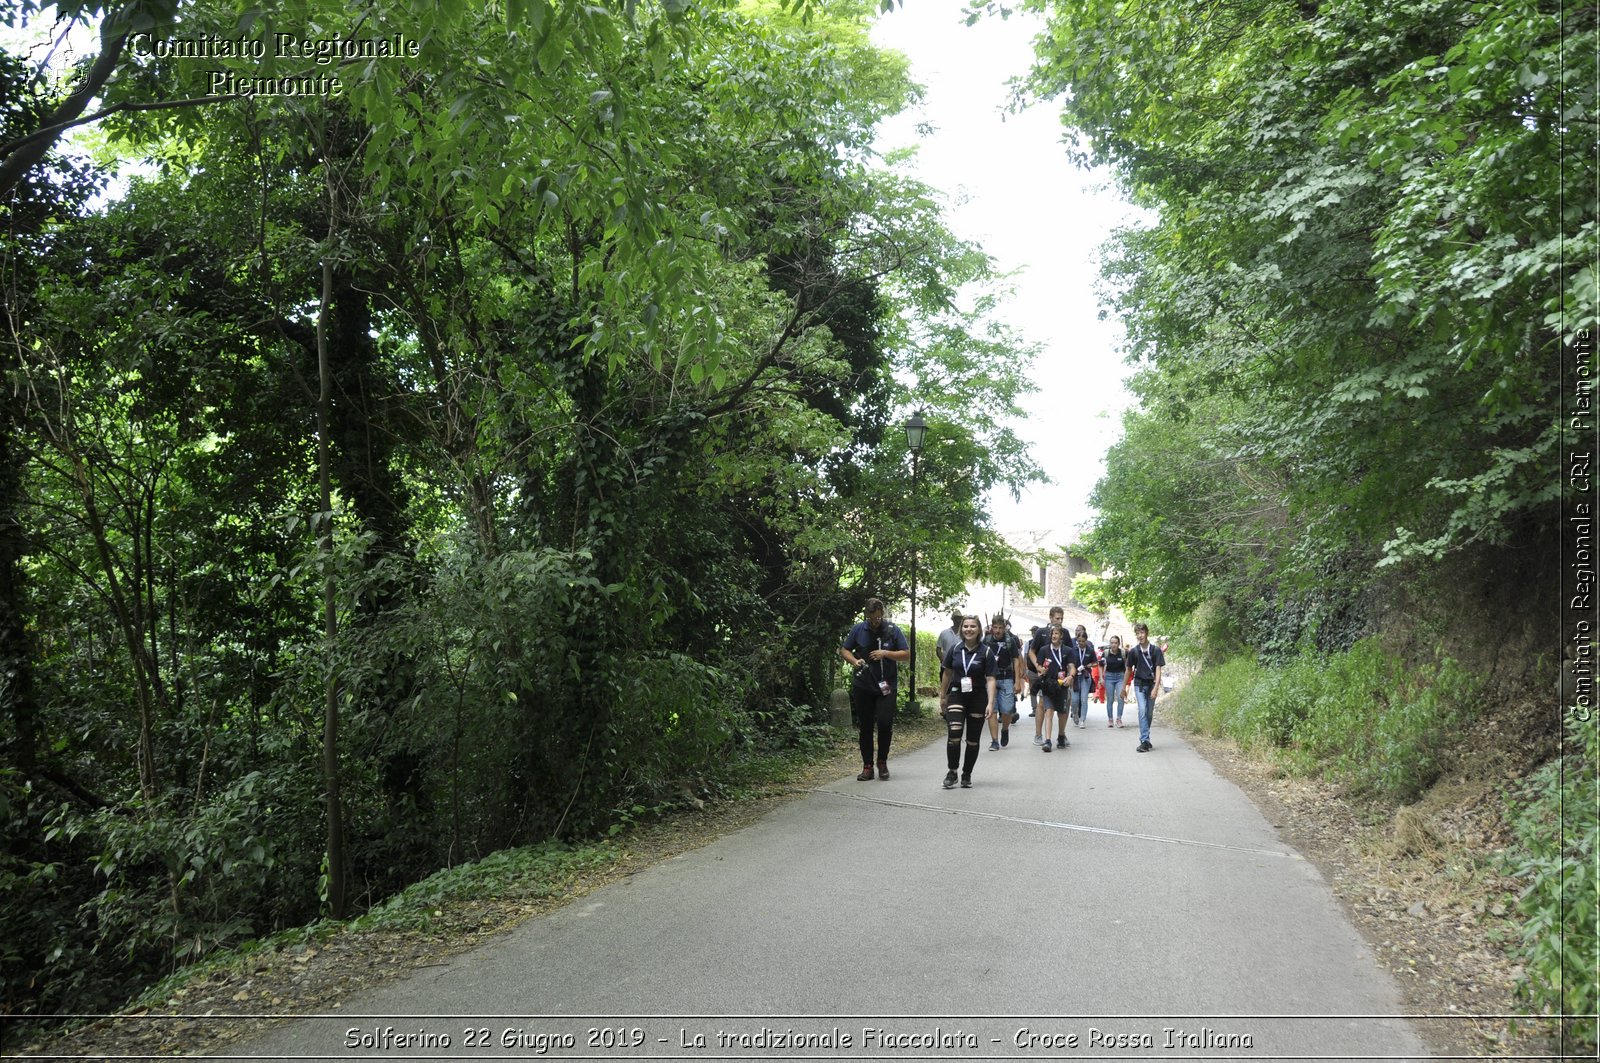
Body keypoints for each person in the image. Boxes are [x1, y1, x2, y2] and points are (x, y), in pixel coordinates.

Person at [838, 598, 910, 780]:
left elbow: (906, 654)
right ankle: (867, 766)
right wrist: (855, 661)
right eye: (872, 618)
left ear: (882, 613)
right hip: (864, 685)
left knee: (885, 723)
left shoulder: (893, 630)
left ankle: (882, 762)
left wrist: (886, 653)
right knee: (866, 727)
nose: (875, 621)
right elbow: (844, 650)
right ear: (867, 615)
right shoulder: (858, 629)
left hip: (887, 686)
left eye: (878, 617)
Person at [940, 615, 996, 788]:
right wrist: (943, 696)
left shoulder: (986, 651)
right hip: (957, 694)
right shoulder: (955, 649)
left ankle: (966, 774)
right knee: (954, 732)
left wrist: (990, 703)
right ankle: (952, 772)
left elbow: (991, 679)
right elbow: (947, 673)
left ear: (978, 629)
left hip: (978, 697)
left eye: (973, 626)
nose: (969, 629)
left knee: (972, 739)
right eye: (965, 626)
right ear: (961, 629)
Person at [983, 615, 1024, 750]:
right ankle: (994, 741)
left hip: (1006, 677)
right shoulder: (987, 640)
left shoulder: (1010, 641)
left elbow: (1016, 660)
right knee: (992, 710)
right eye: (995, 628)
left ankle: (1005, 729)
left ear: (1004, 628)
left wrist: (1017, 681)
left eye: (1001, 628)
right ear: (992, 627)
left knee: (1007, 710)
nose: (998, 631)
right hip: (991, 678)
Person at [1027, 605, 1066, 744]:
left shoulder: (1064, 632)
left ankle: (1062, 734)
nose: (1060, 620)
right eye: (1057, 618)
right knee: (1042, 703)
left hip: (1060, 676)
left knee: (1063, 705)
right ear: (1050, 617)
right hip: (1045, 675)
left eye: (1061, 618)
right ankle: (1038, 734)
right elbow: (1031, 651)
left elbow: (1068, 652)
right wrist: (1038, 667)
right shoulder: (1041, 632)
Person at [1128, 622, 1166, 752]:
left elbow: (1158, 669)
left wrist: (1156, 688)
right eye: (1138, 633)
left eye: (1142, 632)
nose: (1140, 635)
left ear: (1147, 633)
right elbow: (1129, 669)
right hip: (1139, 684)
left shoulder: (1155, 650)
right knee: (1142, 710)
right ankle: (1144, 740)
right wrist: (1123, 687)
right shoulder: (1134, 651)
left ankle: (1146, 737)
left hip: (1151, 684)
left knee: (1149, 713)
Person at [1035, 624, 1072, 751]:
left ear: (1061, 636)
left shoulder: (1068, 650)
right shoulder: (1044, 650)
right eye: (1052, 634)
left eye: (1056, 634)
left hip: (1062, 685)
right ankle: (1048, 741)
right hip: (1048, 685)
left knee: (1062, 713)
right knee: (1049, 711)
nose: (1054, 636)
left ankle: (1061, 735)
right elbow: (1039, 666)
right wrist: (1041, 671)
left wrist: (1071, 676)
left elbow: (1071, 666)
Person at [1067, 624, 1099, 729]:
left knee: (1084, 699)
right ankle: (1075, 713)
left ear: (1086, 640)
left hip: (1085, 676)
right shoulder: (1073, 650)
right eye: (1079, 641)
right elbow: (1069, 663)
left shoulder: (1090, 650)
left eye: (1083, 641)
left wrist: (1088, 665)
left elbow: (1095, 662)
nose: (1081, 643)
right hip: (1075, 677)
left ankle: (1082, 719)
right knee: (1075, 699)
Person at [1101, 634, 1129, 728]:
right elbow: (1100, 665)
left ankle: (1119, 719)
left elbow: (1127, 666)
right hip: (1109, 677)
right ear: (1110, 644)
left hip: (1120, 677)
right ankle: (1110, 719)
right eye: (1112, 643)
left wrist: (1126, 679)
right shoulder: (1105, 653)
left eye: (1116, 643)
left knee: (1121, 698)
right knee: (1110, 699)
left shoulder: (1123, 653)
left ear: (1119, 644)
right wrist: (1101, 678)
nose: (1114, 645)